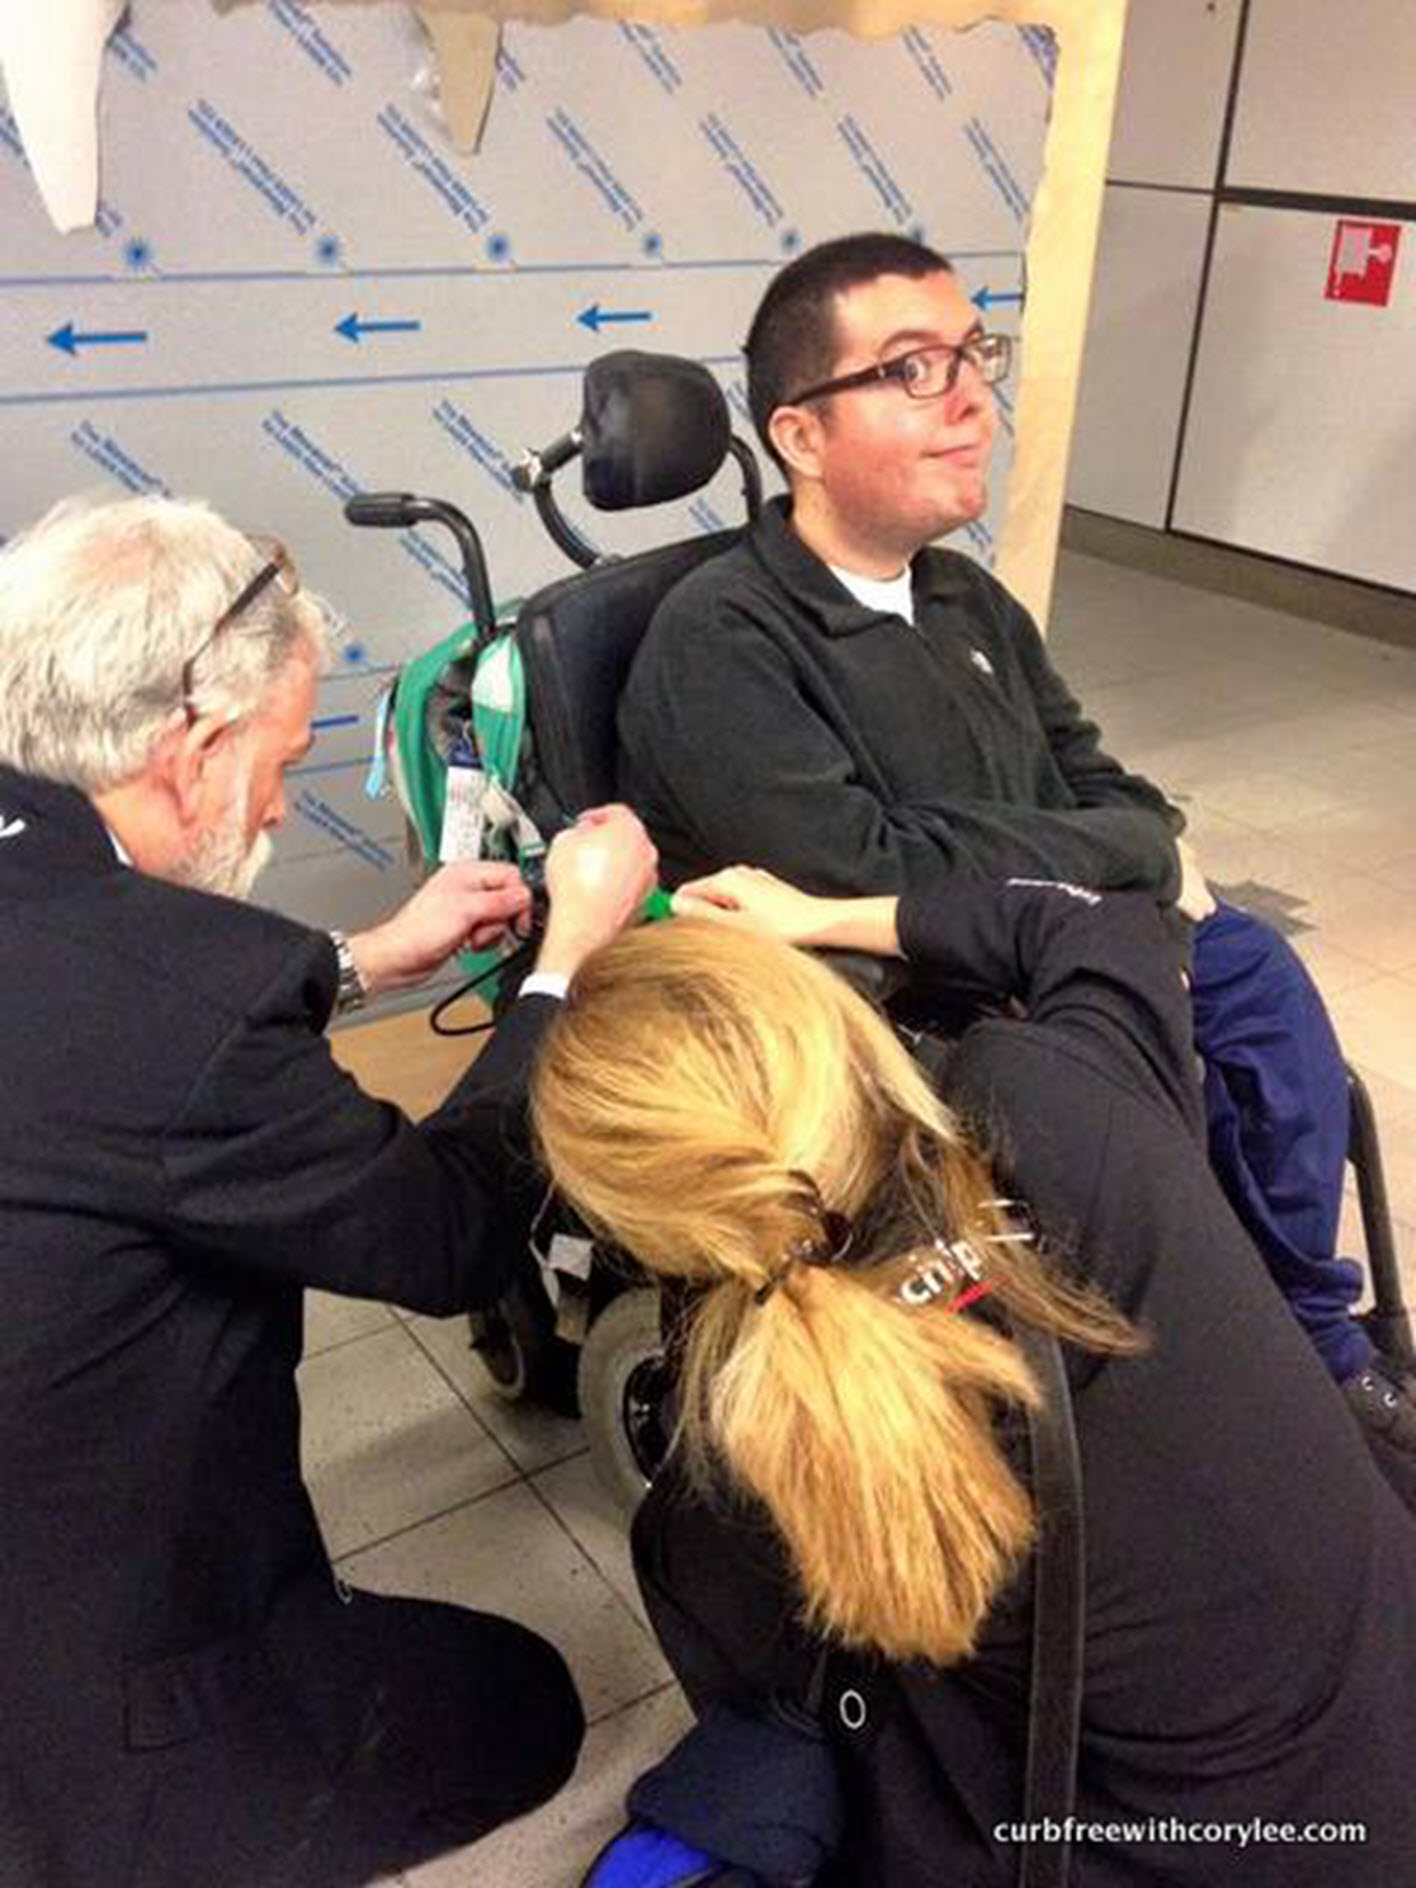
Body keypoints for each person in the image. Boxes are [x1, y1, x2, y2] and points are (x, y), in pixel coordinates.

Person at [616, 230, 1415, 1455]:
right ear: (801, 435)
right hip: (912, 999)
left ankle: (1294, 1331)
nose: (974, 397)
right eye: (913, 369)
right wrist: (1119, 862)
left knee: (1254, 981)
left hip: (1059, 952)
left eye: (972, 353)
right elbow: (855, 867)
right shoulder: (720, 641)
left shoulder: (963, 596)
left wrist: (1103, 851)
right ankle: (1260, 1360)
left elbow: (1108, 785)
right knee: (1217, 1006)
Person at [0, 494, 659, 1888]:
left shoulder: (59, 907)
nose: (285, 804)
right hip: (93, 1683)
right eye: (283, 764)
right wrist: (566, 969)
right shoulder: (186, 1008)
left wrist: (359, 962)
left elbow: (107, 1041)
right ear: (193, 750)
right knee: (531, 1708)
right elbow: (455, 1236)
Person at [529, 866, 1416, 1886]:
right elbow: (1102, 916)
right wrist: (822, 915)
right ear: (828, 1020)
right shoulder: (1052, 1090)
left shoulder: (765, 1425)